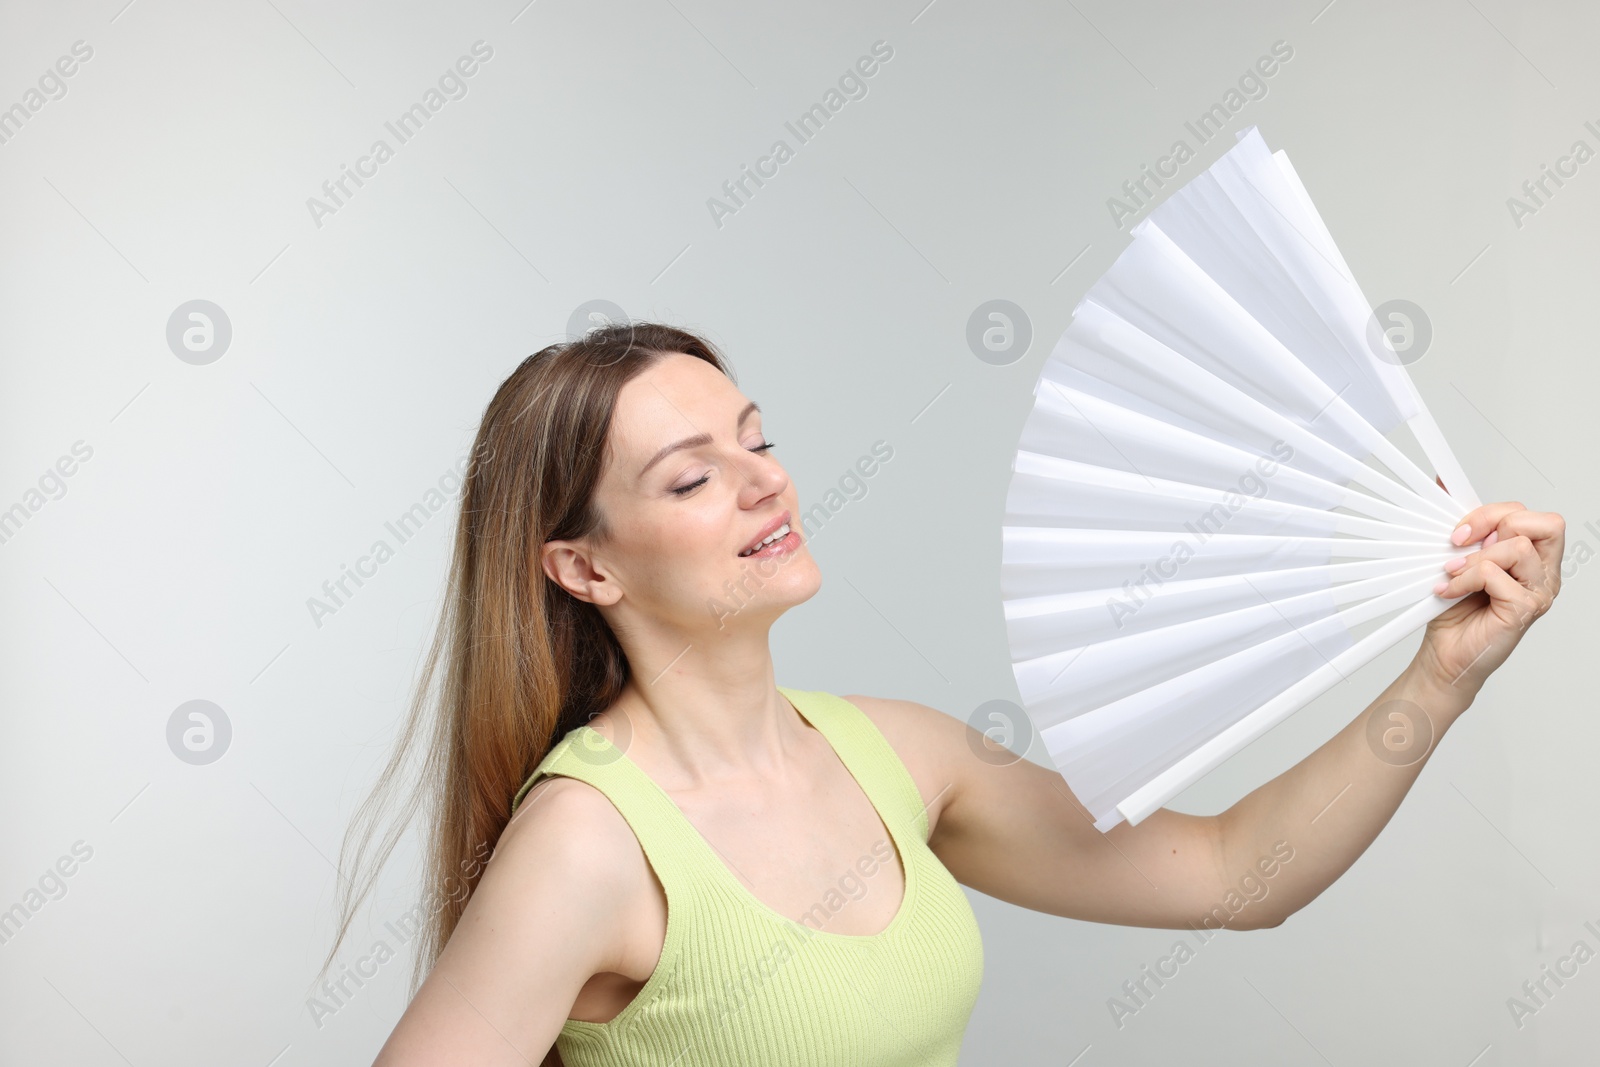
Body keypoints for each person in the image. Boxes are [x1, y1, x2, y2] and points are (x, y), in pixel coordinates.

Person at [327, 322, 1564, 1066]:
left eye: (756, 438)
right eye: (692, 477)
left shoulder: (901, 757)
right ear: (584, 565)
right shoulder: (589, 844)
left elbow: (1235, 871)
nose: (764, 483)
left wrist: (1440, 675)